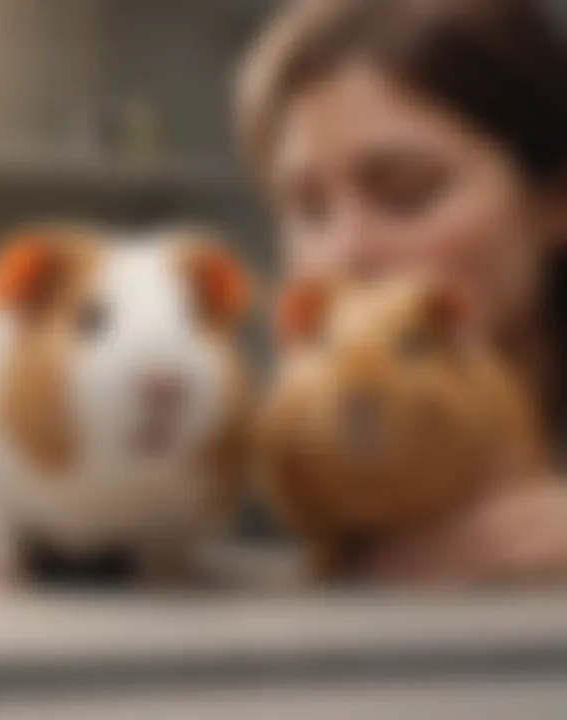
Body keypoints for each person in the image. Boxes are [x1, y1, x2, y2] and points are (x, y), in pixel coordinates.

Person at [237, 0, 567, 584]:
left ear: (553, 200)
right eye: (308, 210)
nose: (345, 256)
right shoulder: (254, 482)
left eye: (407, 194)